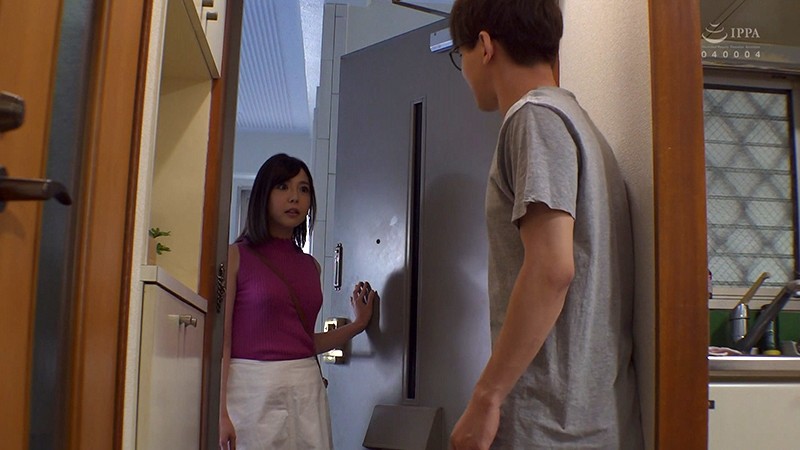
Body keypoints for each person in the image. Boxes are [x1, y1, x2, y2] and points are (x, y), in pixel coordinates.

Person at [447, 1, 643, 448]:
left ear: (485, 45)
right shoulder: (579, 124)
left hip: (551, 427)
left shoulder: (532, 118)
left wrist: (486, 398)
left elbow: (552, 269)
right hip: (593, 422)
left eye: (461, 55)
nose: (464, 73)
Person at [218, 153, 376, 450]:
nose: (295, 197)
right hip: (251, 391)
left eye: (303, 189)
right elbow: (222, 342)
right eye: (283, 187)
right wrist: (220, 413)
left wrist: (359, 325)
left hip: (305, 388)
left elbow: (304, 343)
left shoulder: (311, 266)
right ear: (263, 194)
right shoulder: (234, 257)